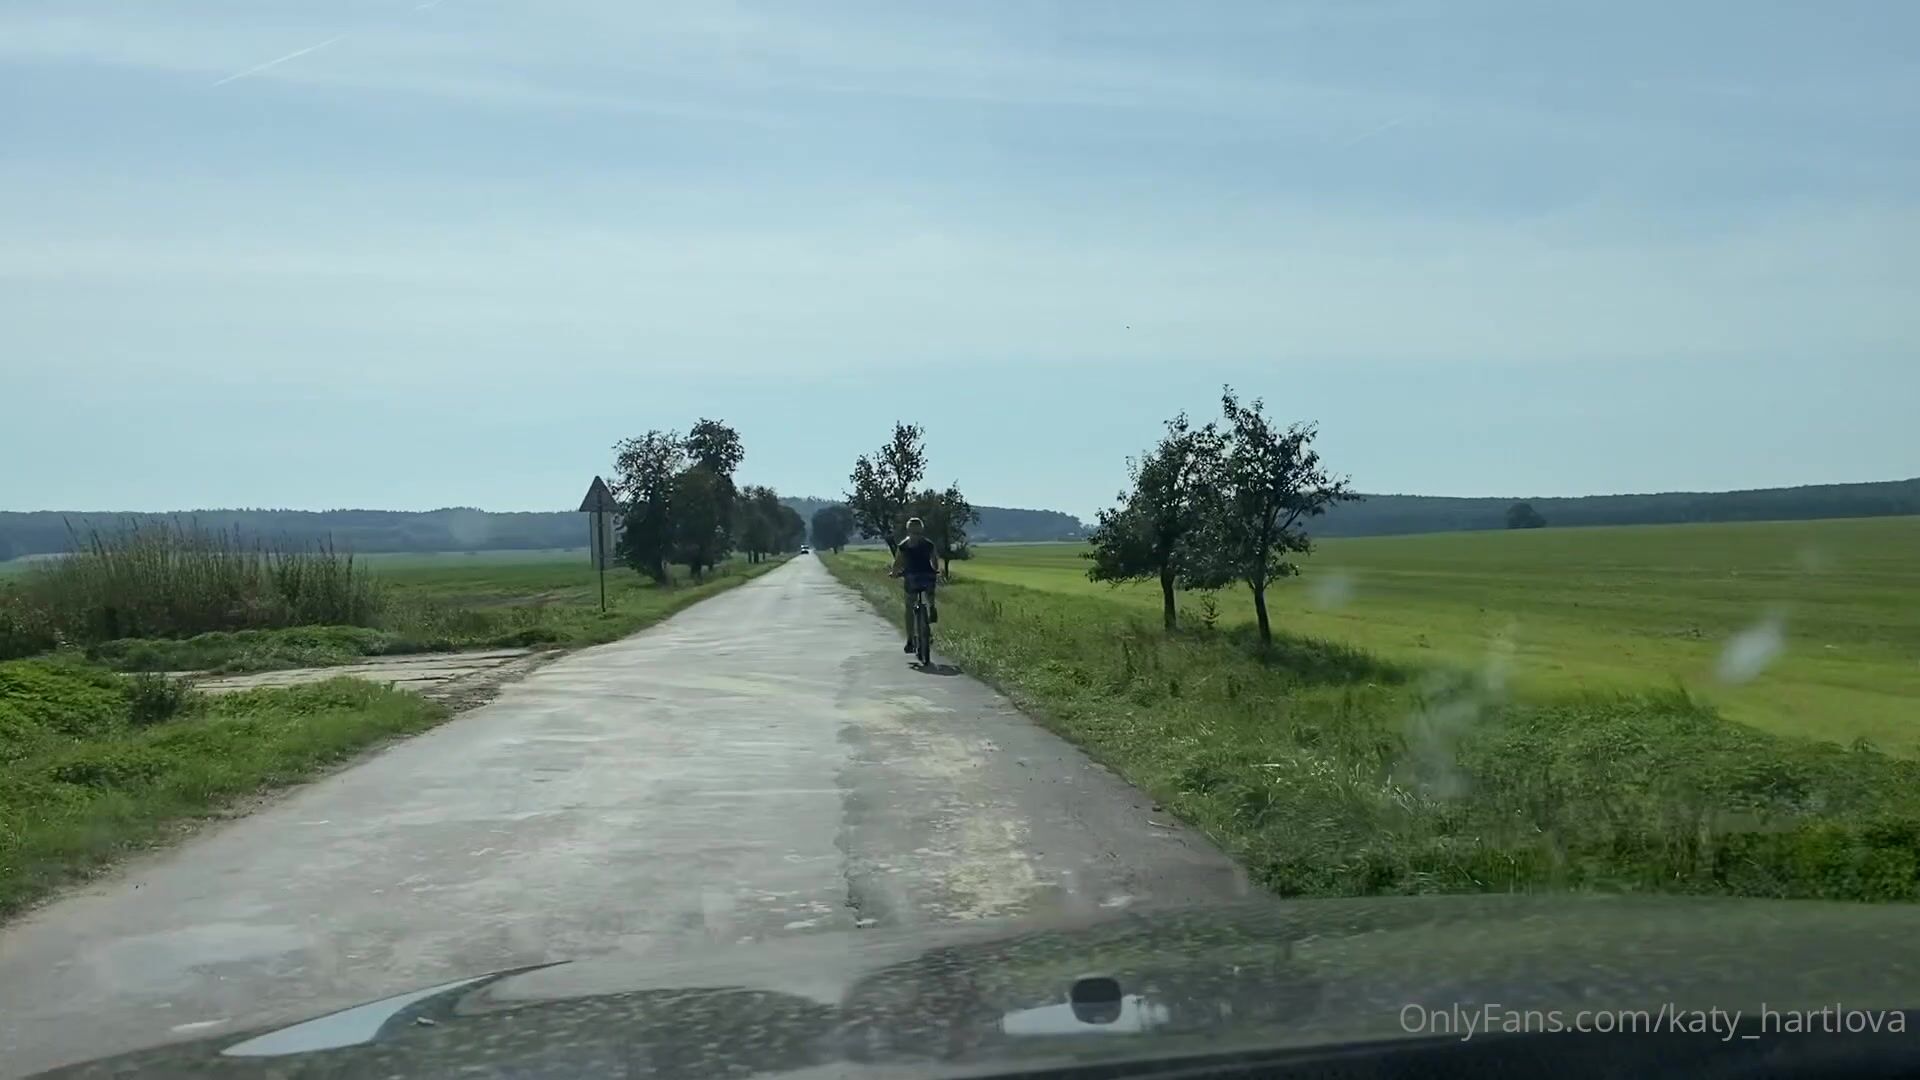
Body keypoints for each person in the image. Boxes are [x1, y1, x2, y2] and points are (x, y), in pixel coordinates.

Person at [889, 517, 940, 653]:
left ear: (908, 529)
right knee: (929, 589)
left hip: (911, 578)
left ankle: (910, 640)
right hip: (927, 577)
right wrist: (935, 570)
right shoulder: (929, 544)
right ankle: (932, 606)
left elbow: (897, 563)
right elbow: (935, 562)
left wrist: (894, 573)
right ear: (921, 529)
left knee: (909, 607)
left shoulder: (904, 545)